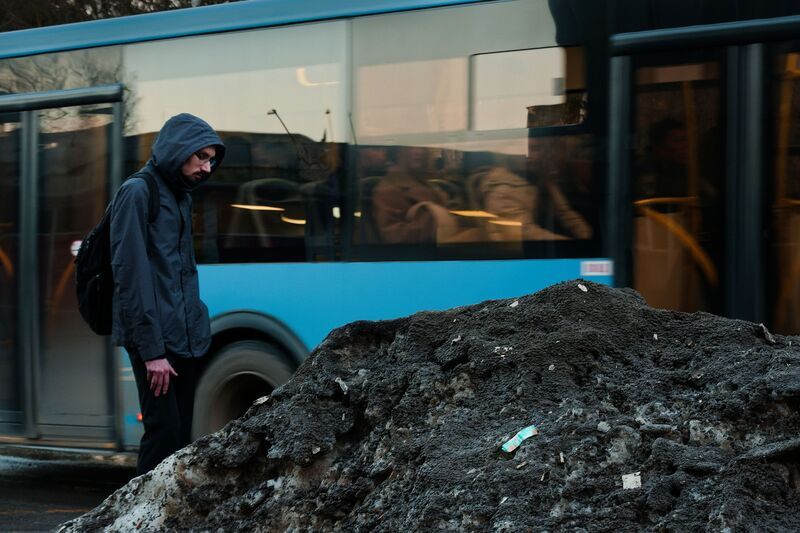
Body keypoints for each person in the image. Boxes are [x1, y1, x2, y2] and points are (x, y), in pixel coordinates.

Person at [110, 113, 225, 475]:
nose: (207, 168)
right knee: (163, 434)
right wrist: (152, 351)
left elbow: (180, 273)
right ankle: (135, 519)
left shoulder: (181, 197)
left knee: (180, 439)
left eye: (211, 159)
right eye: (201, 157)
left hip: (183, 337)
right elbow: (131, 275)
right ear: (179, 151)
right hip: (154, 340)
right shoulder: (137, 192)